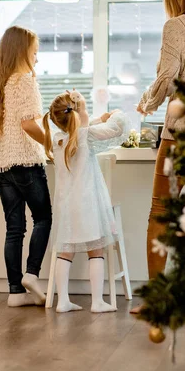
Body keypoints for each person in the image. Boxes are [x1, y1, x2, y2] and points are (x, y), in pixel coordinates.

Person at [132, 0, 185, 313]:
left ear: (174, 3)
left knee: (162, 211)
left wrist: (147, 103)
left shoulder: (176, 25)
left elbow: (168, 76)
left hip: (181, 131)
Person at [0, 26, 51, 308]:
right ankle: (32, 275)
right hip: (25, 162)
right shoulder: (24, 81)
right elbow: (28, 124)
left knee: (14, 228)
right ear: (22, 52)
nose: (37, 59)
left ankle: (15, 292)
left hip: (1, 166)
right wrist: (50, 144)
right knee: (43, 218)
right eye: (35, 52)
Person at [42, 91, 129, 313]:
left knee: (65, 252)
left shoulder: (58, 139)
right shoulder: (85, 135)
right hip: (88, 205)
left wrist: (96, 117)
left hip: (66, 207)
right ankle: (98, 301)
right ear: (79, 115)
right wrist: (117, 113)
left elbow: (84, 126)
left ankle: (62, 301)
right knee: (96, 250)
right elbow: (116, 128)